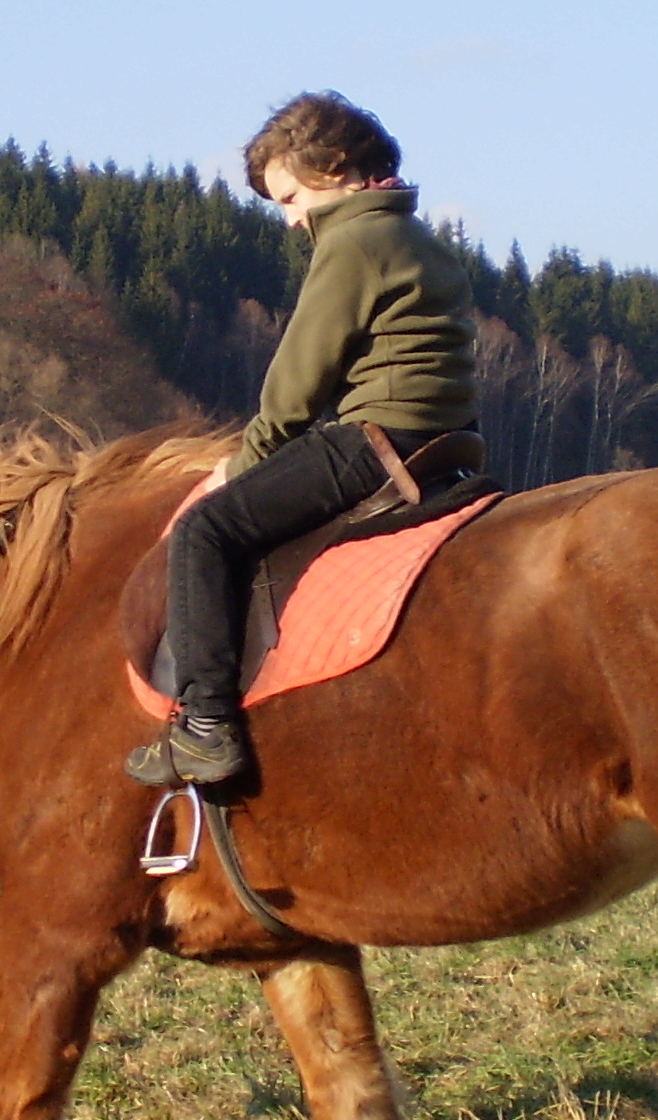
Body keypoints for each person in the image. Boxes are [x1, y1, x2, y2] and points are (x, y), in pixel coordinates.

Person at [129, 92, 479, 788]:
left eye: (290, 198)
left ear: (335, 167)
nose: (290, 221)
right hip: (445, 439)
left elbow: (295, 386)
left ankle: (205, 729)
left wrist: (242, 466)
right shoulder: (418, 237)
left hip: (374, 437)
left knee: (205, 532)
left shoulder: (354, 240)